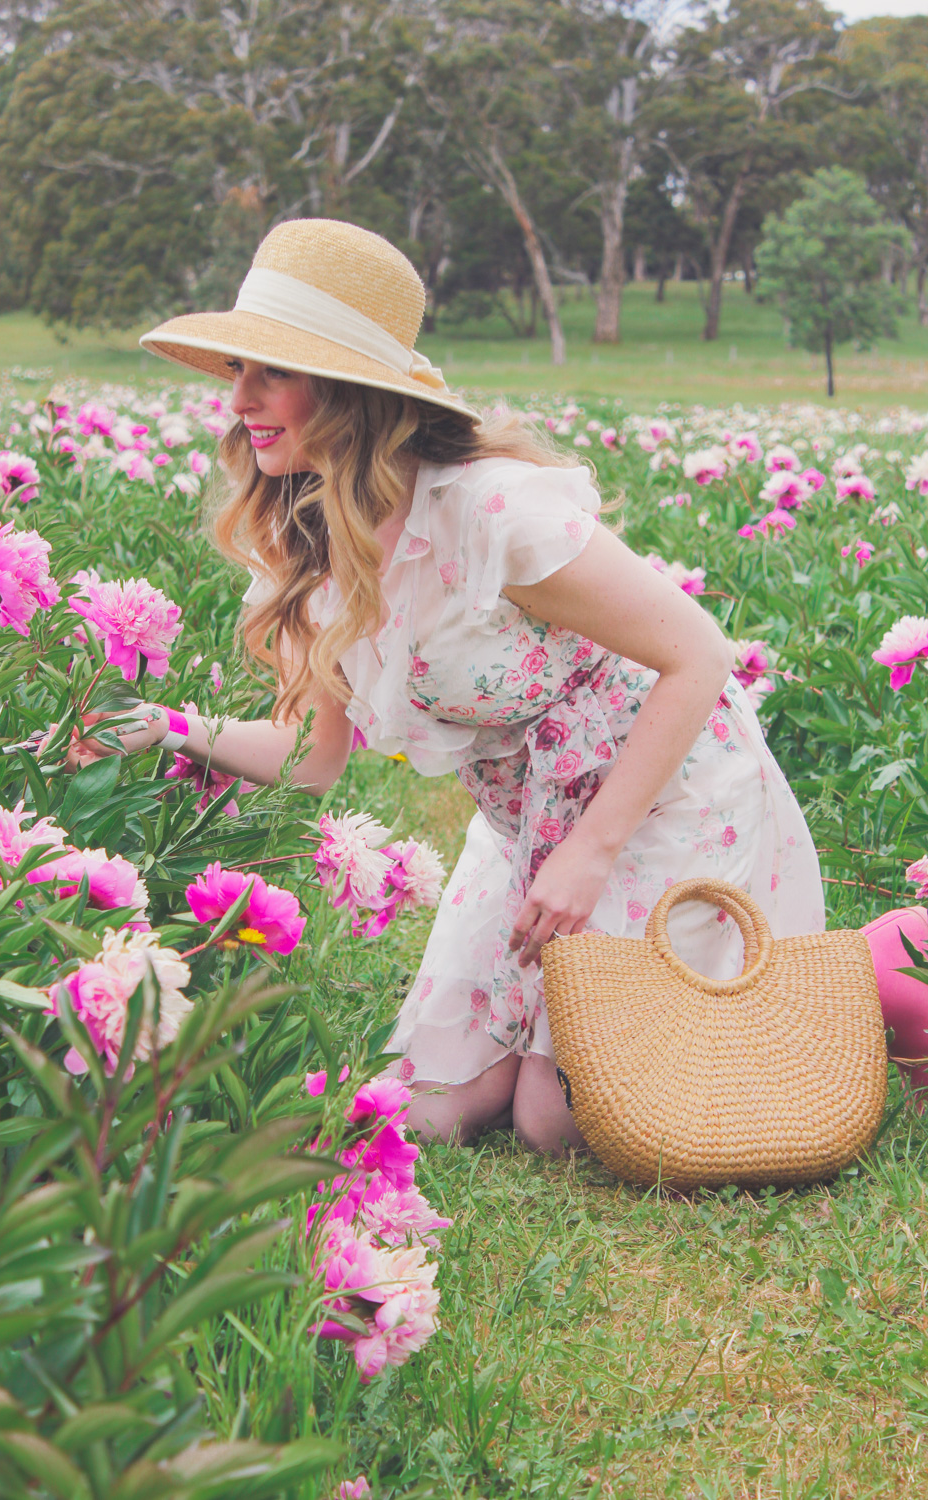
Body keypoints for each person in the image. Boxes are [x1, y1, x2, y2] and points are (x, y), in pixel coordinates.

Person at [74, 217, 827, 1154]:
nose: (242, 401)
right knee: (429, 1111)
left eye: (273, 371)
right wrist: (164, 725)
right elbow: (310, 765)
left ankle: (863, 985)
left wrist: (592, 850)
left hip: (664, 796)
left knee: (558, 1123)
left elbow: (702, 658)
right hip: (523, 829)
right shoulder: (307, 545)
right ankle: (528, 1035)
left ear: (350, 391)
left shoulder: (491, 513)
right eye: (236, 370)